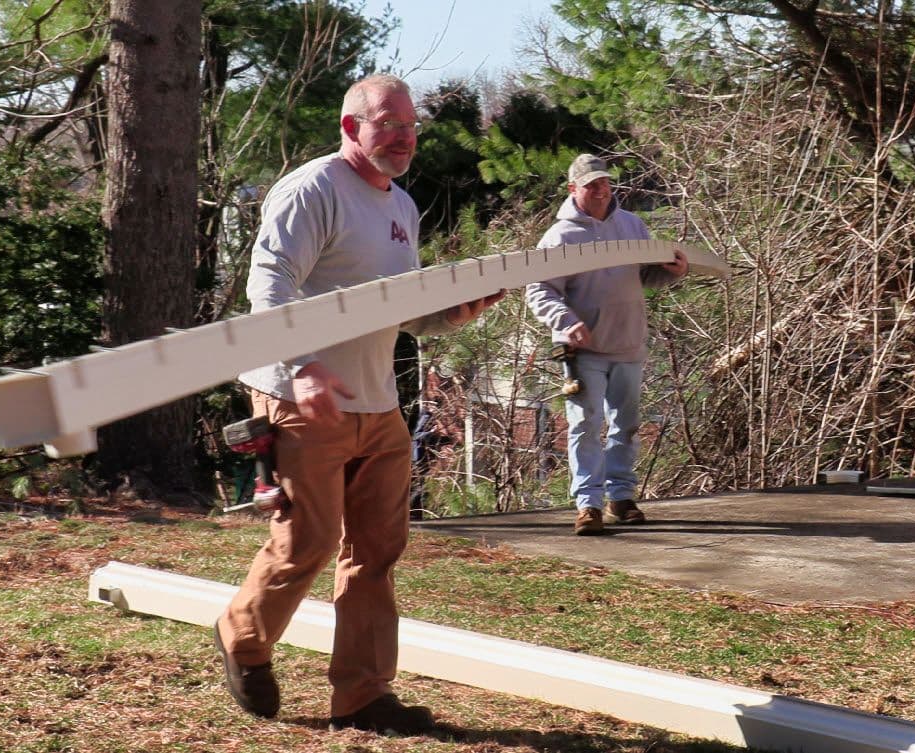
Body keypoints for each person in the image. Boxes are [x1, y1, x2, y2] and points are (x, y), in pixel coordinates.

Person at [214, 73, 503, 735]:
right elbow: (270, 285)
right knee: (306, 541)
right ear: (351, 128)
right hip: (299, 395)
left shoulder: (401, 206)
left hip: (375, 399)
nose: (403, 137)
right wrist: (303, 366)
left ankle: (364, 695)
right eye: (387, 124)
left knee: (376, 548)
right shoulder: (313, 189)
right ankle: (242, 633)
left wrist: (454, 312)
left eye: (410, 126)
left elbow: (399, 311)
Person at [525, 154, 687, 536]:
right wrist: (567, 322)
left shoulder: (632, 225)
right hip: (585, 351)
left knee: (626, 426)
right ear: (573, 189)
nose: (600, 191)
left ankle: (621, 497)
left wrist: (674, 274)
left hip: (629, 343)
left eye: (605, 183)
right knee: (585, 425)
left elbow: (648, 277)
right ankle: (588, 505)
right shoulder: (559, 237)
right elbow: (538, 290)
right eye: (591, 185)